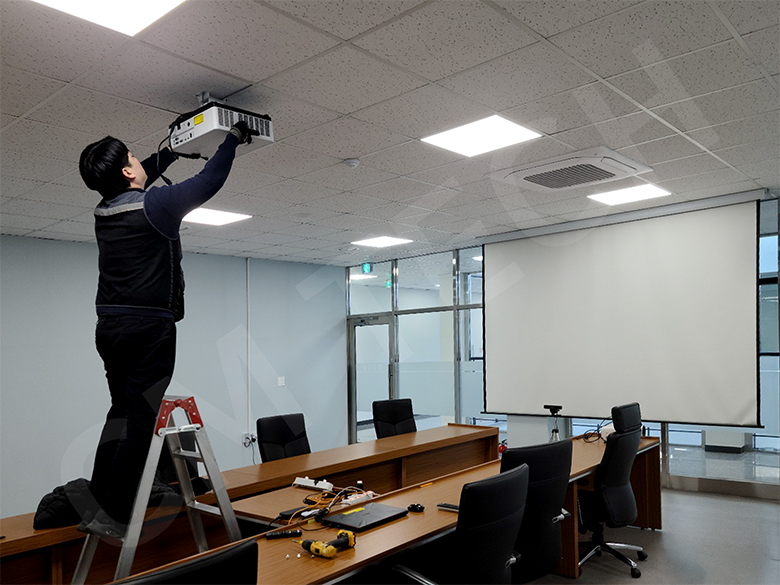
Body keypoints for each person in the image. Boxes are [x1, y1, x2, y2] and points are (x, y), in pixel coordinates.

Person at [77, 121, 256, 539]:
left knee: (120, 411)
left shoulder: (105, 210)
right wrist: (232, 139)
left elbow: (138, 178)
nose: (139, 160)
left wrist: (170, 153)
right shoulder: (155, 207)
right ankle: (118, 510)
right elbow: (209, 180)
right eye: (132, 157)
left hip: (110, 328)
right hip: (148, 331)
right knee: (142, 421)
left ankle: (101, 495)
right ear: (127, 171)